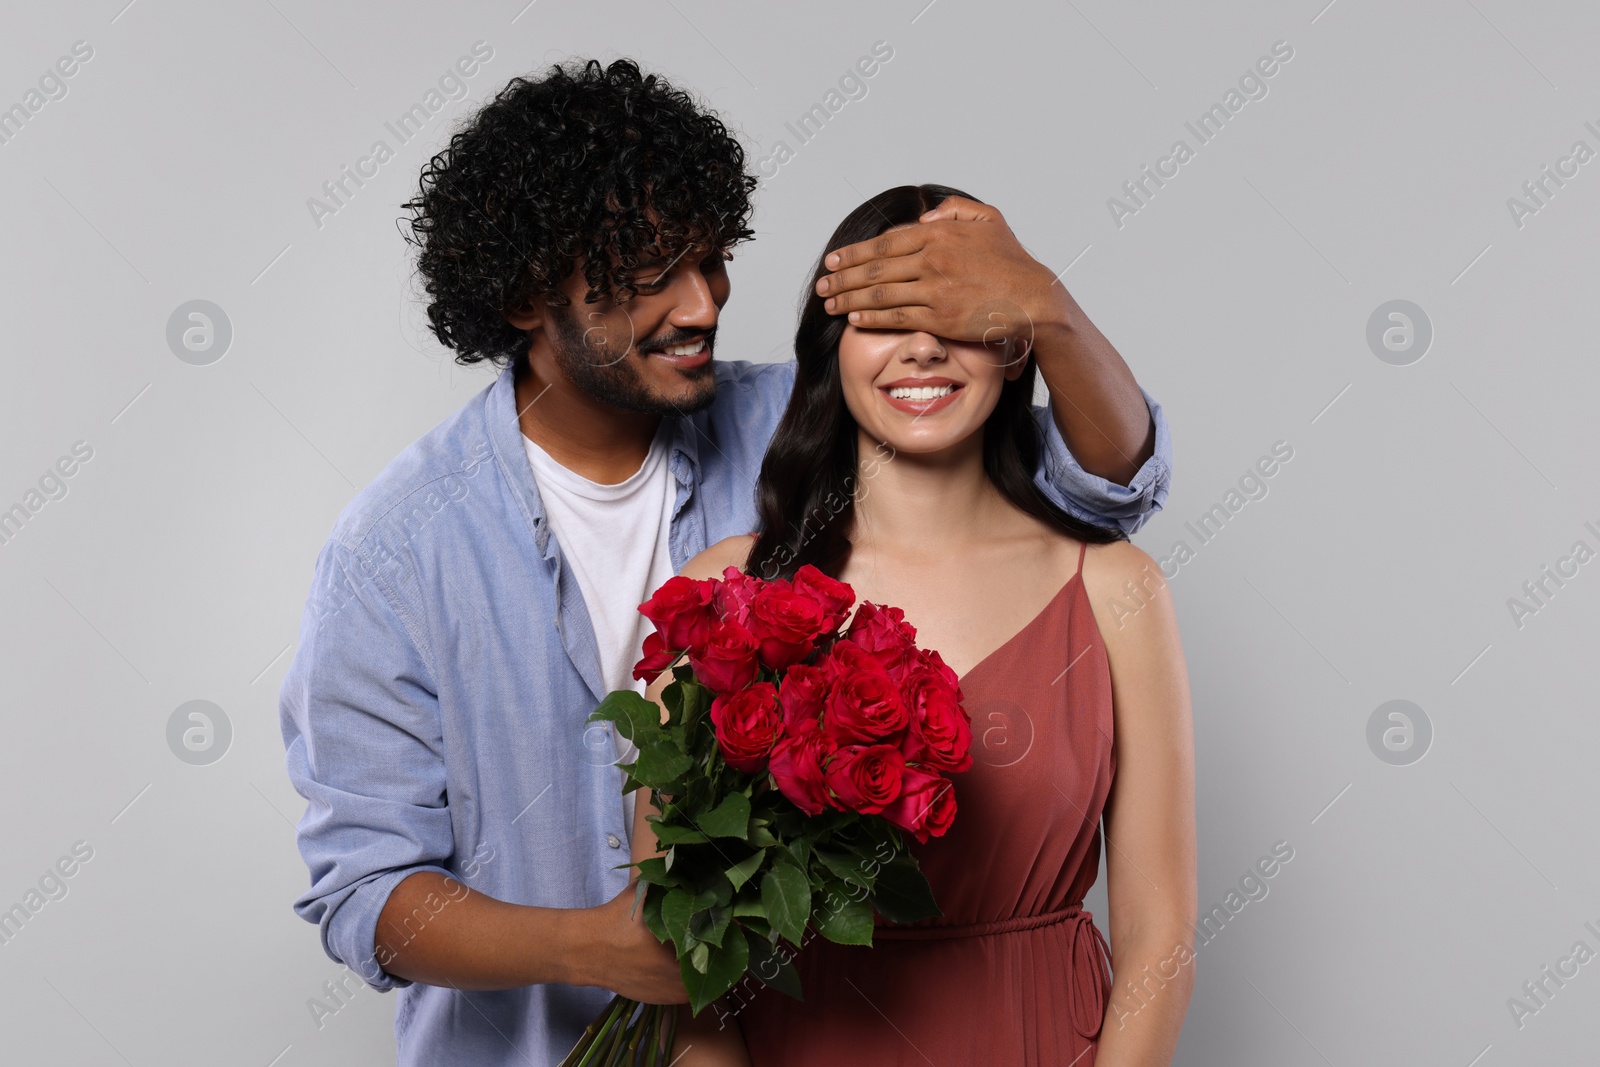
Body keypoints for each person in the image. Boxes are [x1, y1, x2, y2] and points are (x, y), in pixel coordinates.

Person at [277, 60, 1173, 1067]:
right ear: (530, 294)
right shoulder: (397, 547)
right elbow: (365, 897)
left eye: (713, 260)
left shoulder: (810, 422)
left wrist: (1044, 311)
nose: (704, 304)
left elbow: (1097, 485)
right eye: (654, 272)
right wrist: (595, 945)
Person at [635, 185, 1196, 1066]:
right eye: (886, 316)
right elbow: (679, 952)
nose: (925, 345)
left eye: (962, 315)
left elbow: (1161, 940)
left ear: (1017, 349)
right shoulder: (725, 596)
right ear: (831, 353)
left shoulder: (1119, 591)